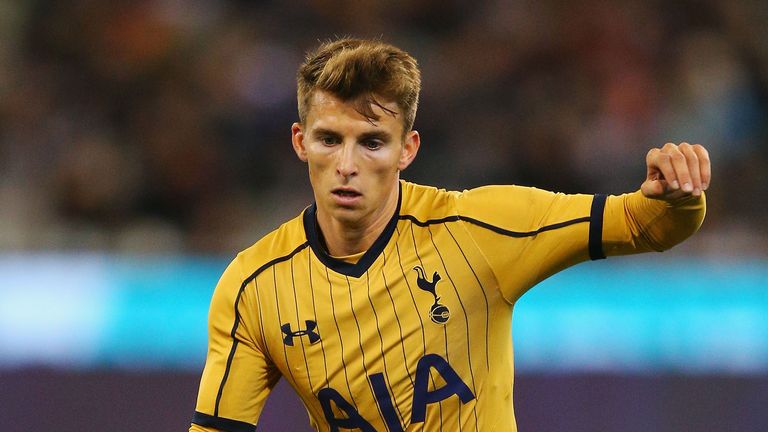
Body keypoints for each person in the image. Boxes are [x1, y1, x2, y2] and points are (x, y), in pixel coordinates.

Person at [189, 38, 709, 432]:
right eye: (329, 139)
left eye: (372, 142)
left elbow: (645, 224)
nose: (346, 164)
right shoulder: (254, 287)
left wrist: (680, 195)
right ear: (301, 142)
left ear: (407, 149)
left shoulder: (481, 231)